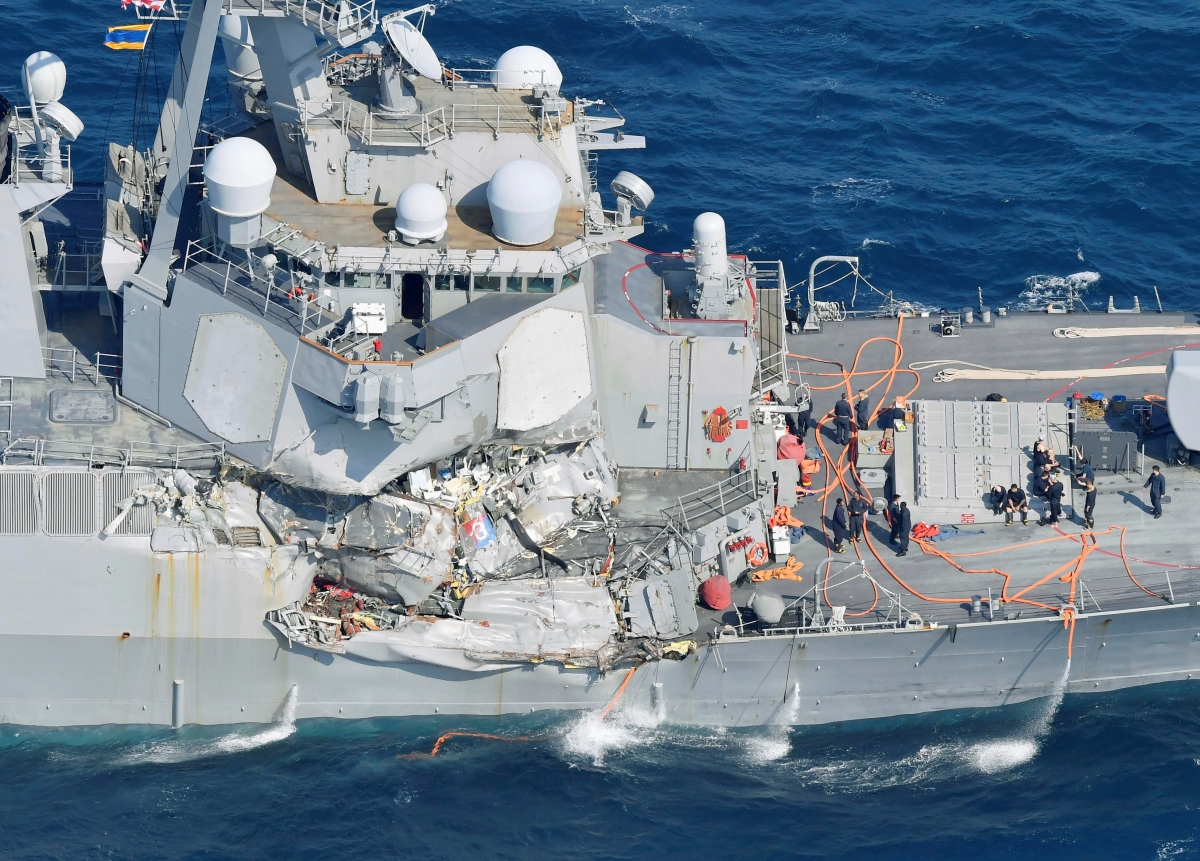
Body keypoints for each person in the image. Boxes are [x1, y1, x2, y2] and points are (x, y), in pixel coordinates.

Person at [1076, 463, 1097, 528]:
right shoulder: (1094, 488)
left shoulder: (1090, 493)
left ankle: (1090, 525)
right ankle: (1088, 521)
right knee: (1087, 514)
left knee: (1089, 515)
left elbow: (1089, 500)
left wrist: (1088, 507)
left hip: (1090, 505)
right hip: (1092, 503)